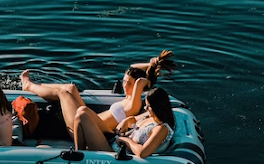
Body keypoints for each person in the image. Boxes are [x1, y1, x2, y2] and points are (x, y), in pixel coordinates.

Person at [19, 51, 177, 153]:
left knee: (63, 93)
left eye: (129, 83)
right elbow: (132, 67)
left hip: (94, 130)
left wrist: (149, 73)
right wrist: (152, 64)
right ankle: (32, 86)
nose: (124, 85)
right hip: (94, 123)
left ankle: (29, 85)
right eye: (124, 81)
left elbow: (141, 81)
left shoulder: (134, 104)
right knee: (70, 88)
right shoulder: (129, 102)